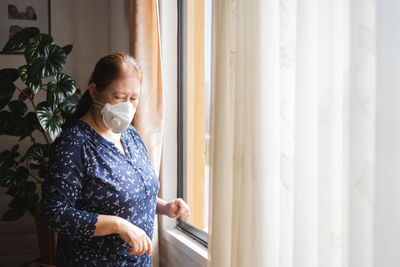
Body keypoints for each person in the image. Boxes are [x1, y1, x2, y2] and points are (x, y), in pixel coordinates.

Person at [41, 53, 191, 266]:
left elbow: (125, 195)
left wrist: (164, 206)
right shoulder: (74, 144)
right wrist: (117, 225)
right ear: (94, 92)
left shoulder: (130, 134)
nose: (127, 106)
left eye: (133, 98)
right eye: (119, 97)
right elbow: (54, 213)